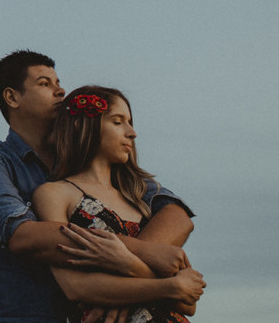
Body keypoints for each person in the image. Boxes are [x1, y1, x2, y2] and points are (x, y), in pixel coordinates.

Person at [0, 51, 195, 323]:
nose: (60, 90)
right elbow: (23, 236)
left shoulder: (98, 162)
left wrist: (123, 285)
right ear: (12, 97)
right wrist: (139, 255)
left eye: (58, 81)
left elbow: (175, 215)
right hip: (29, 314)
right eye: (44, 83)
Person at [32, 87, 206, 323]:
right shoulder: (54, 193)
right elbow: (75, 287)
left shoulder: (138, 198)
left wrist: (130, 265)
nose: (132, 133)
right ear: (82, 126)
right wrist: (167, 287)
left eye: (130, 122)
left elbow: (188, 302)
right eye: (118, 122)